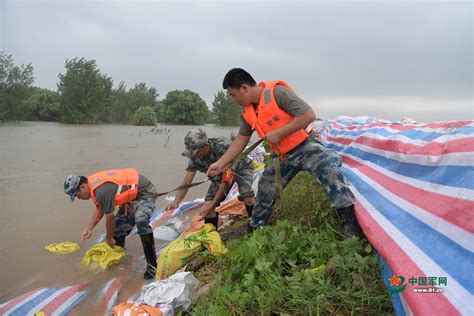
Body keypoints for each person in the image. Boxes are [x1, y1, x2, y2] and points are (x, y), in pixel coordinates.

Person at [207, 68, 362, 238]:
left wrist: (279, 133)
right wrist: (220, 163)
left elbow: (308, 115)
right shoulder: (247, 111)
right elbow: (240, 140)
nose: (233, 99)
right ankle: (255, 226)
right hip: (282, 156)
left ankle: (349, 220)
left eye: (233, 94)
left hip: (305, 147)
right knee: (265, 185)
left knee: (327, 165)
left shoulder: (277, 93)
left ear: (244, 88)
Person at [64, 168, 158, 279]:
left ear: (82, 187)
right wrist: (89, 229)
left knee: (140, 220)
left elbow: (110, 217)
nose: (78, 198)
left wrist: (109, 238)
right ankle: (118, 257)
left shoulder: (101, 192)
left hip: (145, 192)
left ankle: (152, 266)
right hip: (131, 196)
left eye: (77, 195)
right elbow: (100, 209)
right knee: (118, 229)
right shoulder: (93, 186)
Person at [166, 128, 256, 228]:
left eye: (195, 152)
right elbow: (187, 180)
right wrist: (176, 201)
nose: (194, 156)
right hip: (220, 175)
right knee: (208, 206)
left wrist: (214, 204)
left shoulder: (222, 145)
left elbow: (227, 181)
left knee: (247, 196)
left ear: (205, 146)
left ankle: (255, 224)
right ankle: (212, 235)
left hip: (242, 169)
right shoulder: (194, 157)